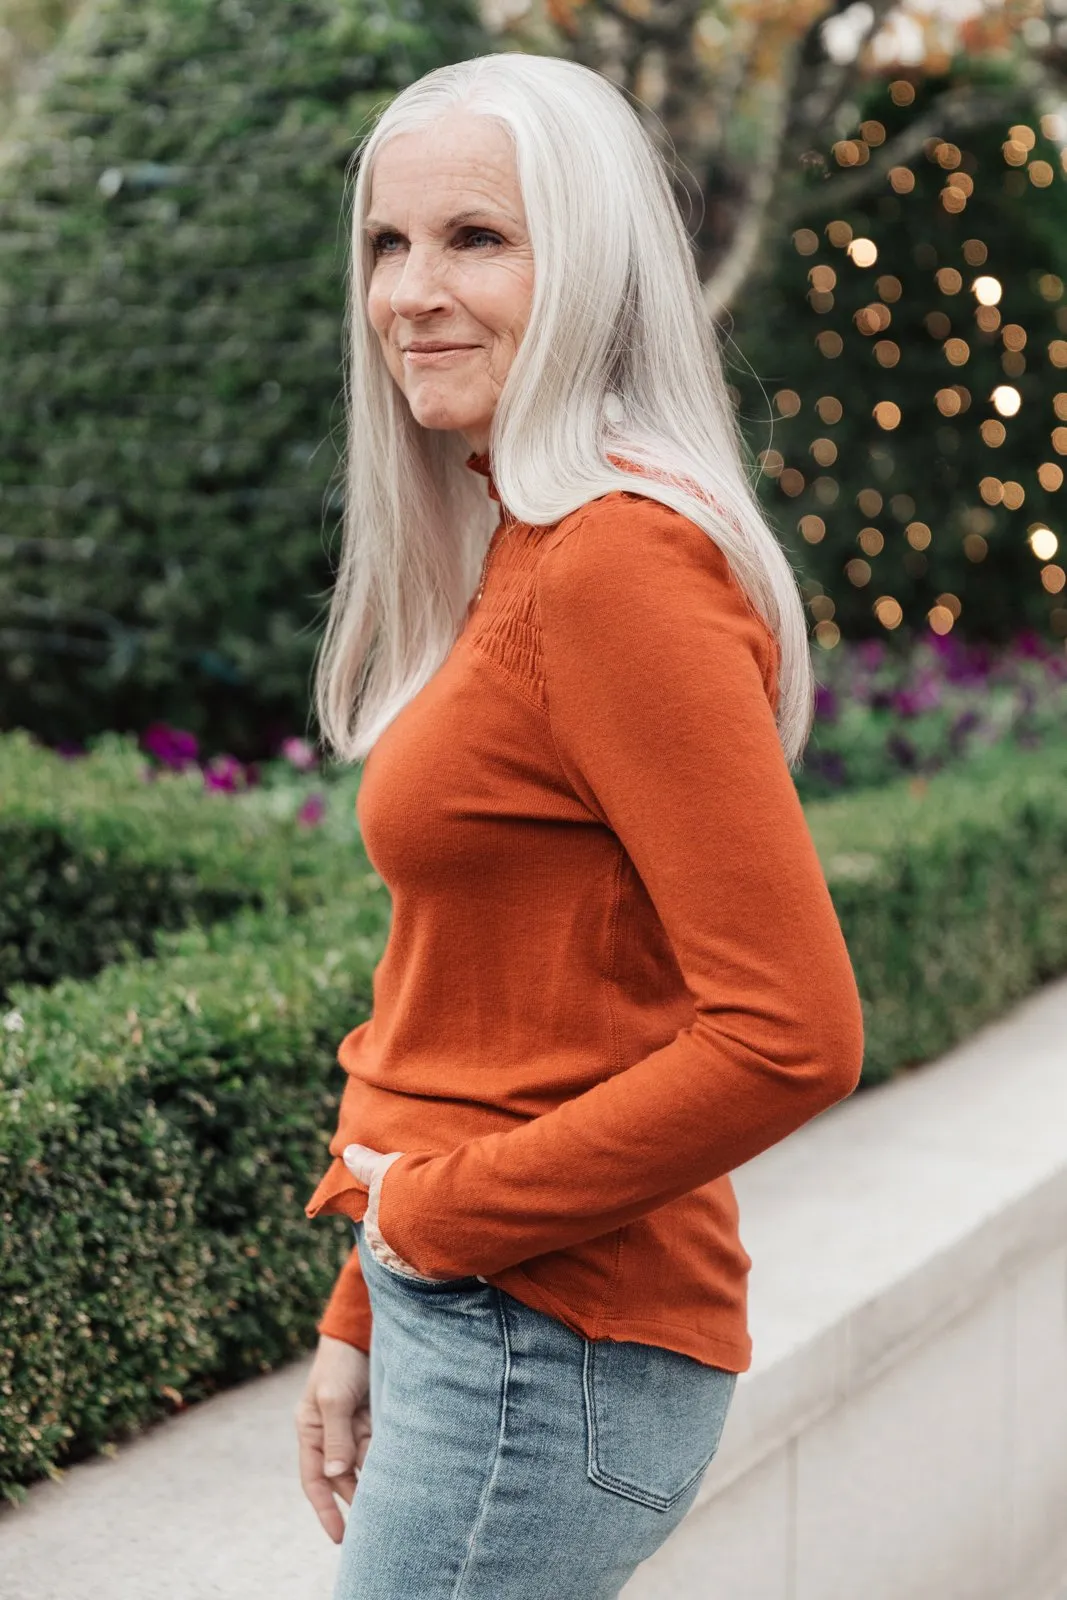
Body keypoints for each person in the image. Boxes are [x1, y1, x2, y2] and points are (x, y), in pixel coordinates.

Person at [294, 50, 864, 1600]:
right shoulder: (523, 547)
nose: (411, 291)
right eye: (387, 245)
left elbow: (792, 1030)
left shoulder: (614, 569)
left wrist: (435, 1226)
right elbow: (481, 1000)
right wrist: (366, 1301)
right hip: (480, 1317)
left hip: (546, 1342)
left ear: (593, 266)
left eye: (475, 238)